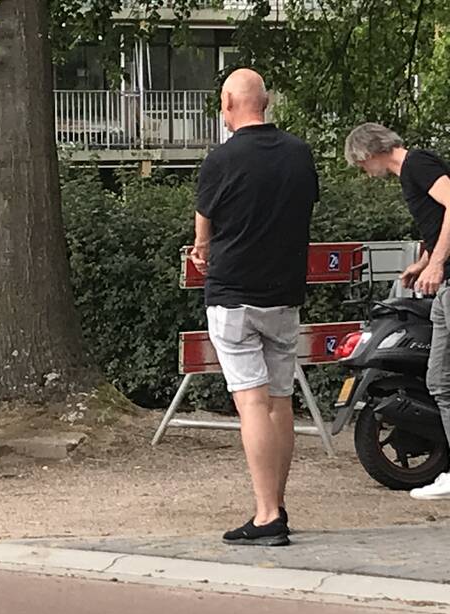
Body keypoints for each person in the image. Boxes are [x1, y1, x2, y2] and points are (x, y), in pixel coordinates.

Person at [191, 69, 318, 546]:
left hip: (233, 294)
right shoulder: (299, 154)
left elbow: (205, 223)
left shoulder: (220, 159)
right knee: (280, 401)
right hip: (284, 294)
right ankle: (279, 504)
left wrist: (202, 249)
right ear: (265, 102)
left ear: (228, 103)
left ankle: (266, 516)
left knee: (251, 403)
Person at [345, 123, 450, 501]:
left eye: (360, 164)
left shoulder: (417, 163)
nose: (363, 171)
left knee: (443, 376)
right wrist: (424, 262)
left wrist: (437, 265)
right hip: (444, 281)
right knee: (439, 377)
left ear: (368, 153)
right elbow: (439, 225)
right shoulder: (413, 173)